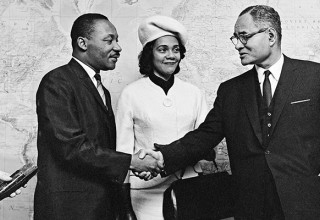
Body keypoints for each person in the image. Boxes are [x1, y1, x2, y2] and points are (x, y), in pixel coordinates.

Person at [143, 5, 320, 220]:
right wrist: (163, 157)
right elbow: (204, 137)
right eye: (235, 38)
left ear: (271, 36)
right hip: (250, 206)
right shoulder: (230, 91)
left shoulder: (313, 77)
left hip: (304, 204)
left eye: (243, 37)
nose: (238, 45)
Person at [34, 13, 163, 220]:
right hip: (69, 211)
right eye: (109, 40)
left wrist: (134, 164)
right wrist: (131, 162)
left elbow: (102, 148)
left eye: (117, 40)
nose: (118, 47)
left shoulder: (101, 89)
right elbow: (71, 148)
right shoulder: (57, 83)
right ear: (83, 43)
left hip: (98, 208)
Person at [115, 15, 209, 220]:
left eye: (176, 50)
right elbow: (122, 154)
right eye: (162, 49)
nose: (171, 56)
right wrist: (124, 208)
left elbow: (205, 142)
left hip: (190, 189)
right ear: (150, 54)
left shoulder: (194, 93)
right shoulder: (130, 94)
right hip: (146, 193)